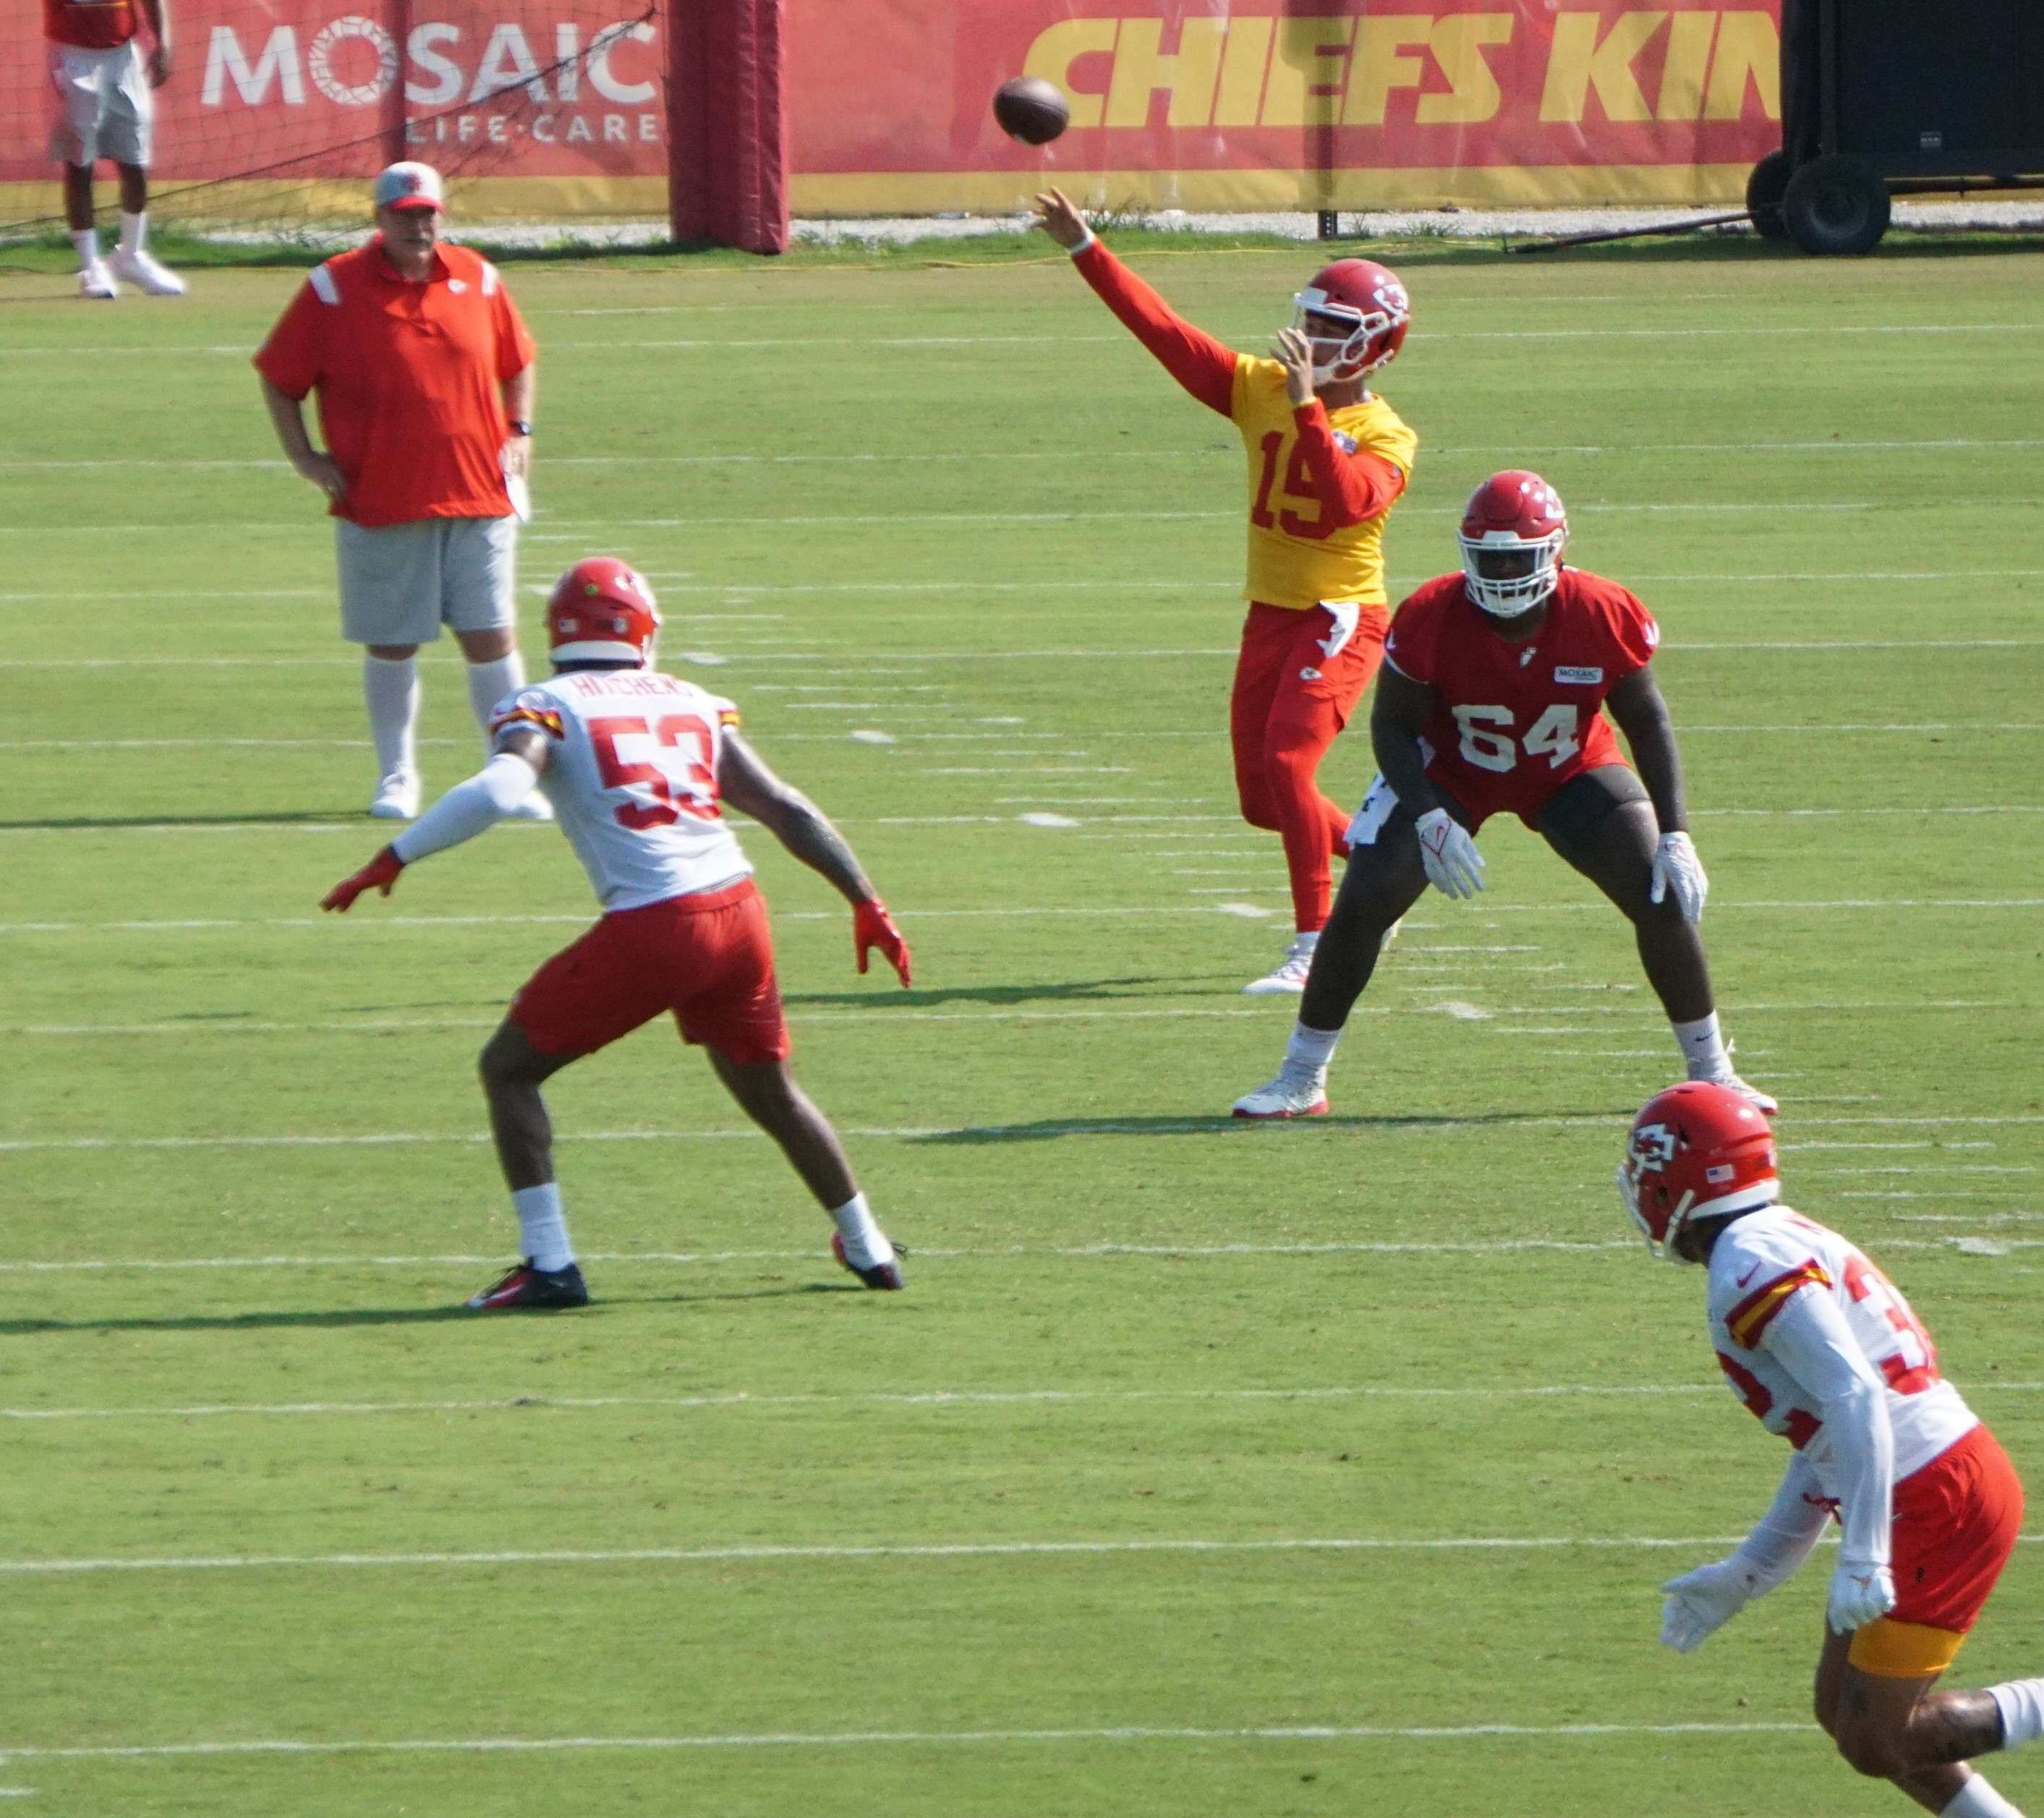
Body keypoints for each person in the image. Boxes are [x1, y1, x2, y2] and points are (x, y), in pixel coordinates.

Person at [321, 557, 914, 1310]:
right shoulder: (691, 699)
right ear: (642, 631)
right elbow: (783, 806)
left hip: (660, 923)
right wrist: (866, 901)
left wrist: (397, 854)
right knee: (771, 1092)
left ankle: (550, 1264)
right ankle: (868, 1247)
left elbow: (504, 788)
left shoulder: (548, 703)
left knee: (509, 1070)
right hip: (740, 911)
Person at [1232, 469, 1773, 1119]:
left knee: (1661, 892)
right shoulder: (1432, 614)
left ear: (1556, 550)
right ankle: (1300, 1077)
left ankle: (1715, 1073)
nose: (1504, 570)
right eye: (1490, 556)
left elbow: (1647, 721)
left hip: (1568, 765)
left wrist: (1677, 831)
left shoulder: (1601, 610)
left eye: (1517, 555)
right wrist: (1429, 815)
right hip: (1453, 768)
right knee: (1366, 896)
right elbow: (1393, 726)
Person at [1031, 187, 1418, 994]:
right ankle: (1392, 863)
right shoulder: (1258, 387)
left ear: (1380, 348)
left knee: (1288, 765)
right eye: (1313, 322)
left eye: (1337, 330)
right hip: (1272, 612)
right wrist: (1085, 249)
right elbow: (1165, 333)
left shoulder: (1386, 432)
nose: (1314, 340)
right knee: (1261, 799)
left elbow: (1348, 498)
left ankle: (1316, 944)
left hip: (1341, 615)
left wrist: (1312, 413)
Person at [1619, 1080, 2041, 1818]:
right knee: (1843, 1714)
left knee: (1882, 1738)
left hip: (1935, 1490)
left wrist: (1865, 1554)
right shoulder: (1771, 1238)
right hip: (1929, 1476)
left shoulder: (1752, 1258)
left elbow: (1857, 1398)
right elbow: (1826, 1443)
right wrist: (1747, 1573)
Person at [254, 160, 546, 823]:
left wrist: (520, 430)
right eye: (405, 215)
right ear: (379, 219)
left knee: (492, 636)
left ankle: (512, 774)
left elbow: (518, 359)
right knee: (392, 642)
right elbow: (279, 377)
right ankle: (397, 776)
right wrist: (302, 455)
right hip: (382, 496)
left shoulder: (480, 277)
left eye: (428, 214)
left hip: (479, 494)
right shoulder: (332, 289)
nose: (419, 226)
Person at [45, 0, 184, 299]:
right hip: (74, 55)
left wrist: (163, 42)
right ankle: (90, 266)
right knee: (80, 162)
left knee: (135, 159)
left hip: (123, 57)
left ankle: (130, 256)